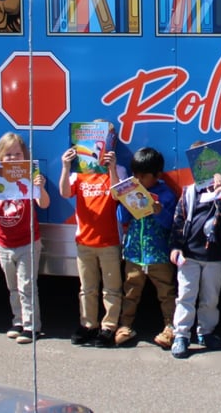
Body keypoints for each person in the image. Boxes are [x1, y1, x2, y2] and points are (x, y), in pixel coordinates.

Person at [0, 133, 49, 344]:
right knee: (13, 287)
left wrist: (41, 187)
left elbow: (44, 204)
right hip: (4, 243)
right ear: (0, 156)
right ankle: (18, 320)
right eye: (8, 155)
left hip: (28, 241)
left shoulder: (29, 176)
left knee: (27, 285)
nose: (13, 158)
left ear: (24, 155)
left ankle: (31, 326)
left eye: (17, 154)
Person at [168, 166, 221, 359]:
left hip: (215, 256)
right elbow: (179, 220)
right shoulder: (190, 192)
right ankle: (181, 335)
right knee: (185, 295)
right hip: (189, 255)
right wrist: (175, 246)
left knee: (211, 298)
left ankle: (205, 332)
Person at [59, 144, 124, 348]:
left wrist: (111, 169)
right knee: (87, 288)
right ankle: (88, 325)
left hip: (109, 241)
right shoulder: (80, 171)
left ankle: (108, 327)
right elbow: (64, 192)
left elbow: (117, 196)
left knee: (111, 289)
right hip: (84, 241)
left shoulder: (118, 169)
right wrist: (65, 166)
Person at [115, 147, 178, 349]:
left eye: (143, 176)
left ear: (157, 175)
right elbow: (121, 219)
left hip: (159, 254)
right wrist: (125, 202)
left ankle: (170, 327)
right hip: (134, 252)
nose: (138, 180)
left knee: (167, 292)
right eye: (135, 175)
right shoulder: (132, 189)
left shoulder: (166, 194)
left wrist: (159, 211)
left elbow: (171, 224)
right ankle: (125, 326)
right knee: (130, 290)